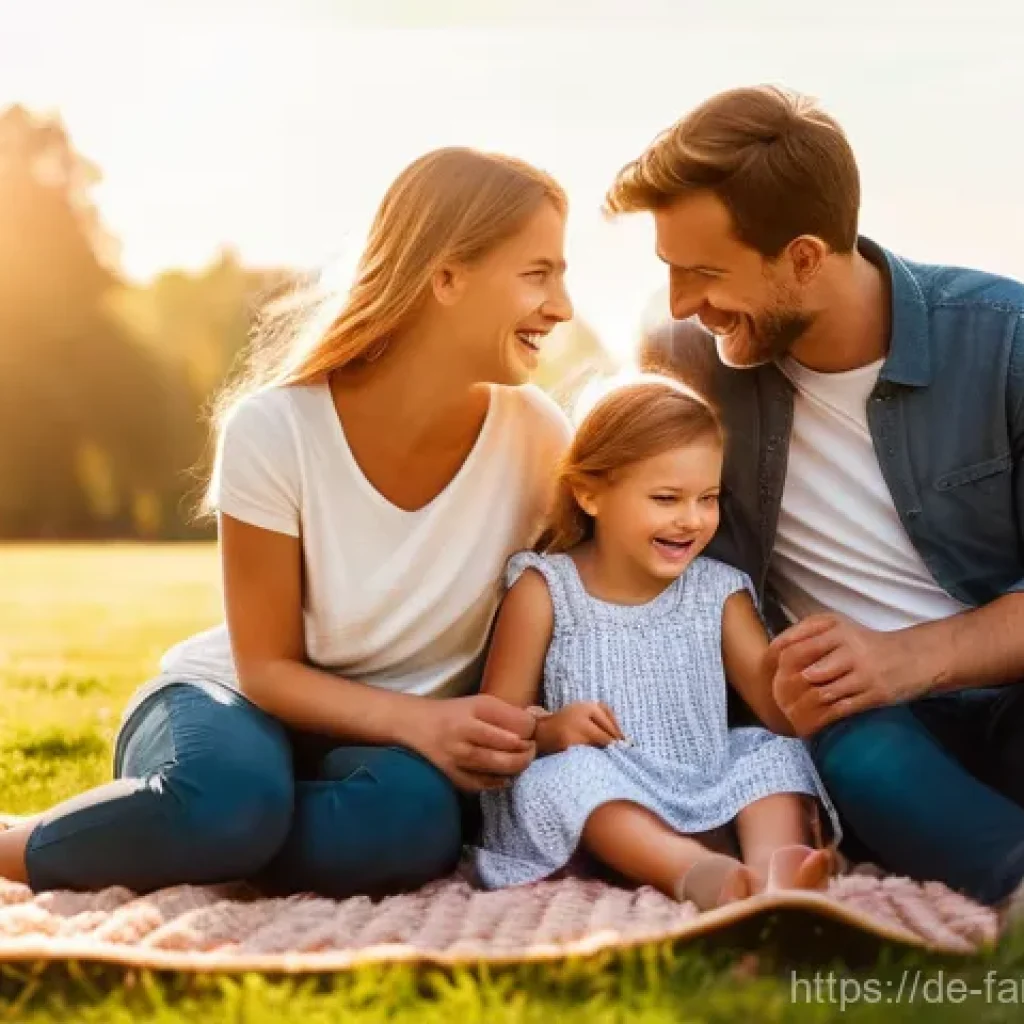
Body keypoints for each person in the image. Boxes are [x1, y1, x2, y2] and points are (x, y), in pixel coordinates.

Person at [0, 147, 575, 898]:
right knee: (235, 801)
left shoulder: (539, 437)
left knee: (415, 825)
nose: (562, 306)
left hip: (380, 754)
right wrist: (422, 724)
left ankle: (174, 833)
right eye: (539, 273)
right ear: (446, 276)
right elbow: (266, 669)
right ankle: (35, 845)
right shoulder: (274, 429)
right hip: (230, 707)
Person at [606, 85, 1024, 907]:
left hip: (1004, 684)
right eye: (670, 273)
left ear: (803, 256)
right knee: (860, 755)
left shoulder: (1005, 339)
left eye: (705, 273)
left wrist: (911, 657)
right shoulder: (682, 357)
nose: (685, 303)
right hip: (858, 724)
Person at [470, 376, 838, 910]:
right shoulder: (546, 588)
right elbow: (496, 727)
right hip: (602, 799)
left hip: (706, 782)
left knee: (772, 756)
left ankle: (775, 879)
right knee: (567, 777)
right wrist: (551, 729)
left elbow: (779, 713)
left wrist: (803, 673)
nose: (691, 519)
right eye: (666, 498)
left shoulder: (718, 590)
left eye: (707, 498)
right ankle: (699, 875)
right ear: (590, 492)